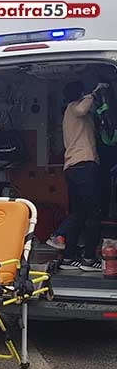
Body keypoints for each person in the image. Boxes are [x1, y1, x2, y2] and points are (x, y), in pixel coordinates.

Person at [59, 81, 108, 272]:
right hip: (84, 165)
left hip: (72, 167)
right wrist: (95, 93)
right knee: (94, 213)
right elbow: (82, 109)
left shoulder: (69, 113)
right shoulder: (74, 108)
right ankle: (89, 258)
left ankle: (68, 257)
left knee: (78, 213)